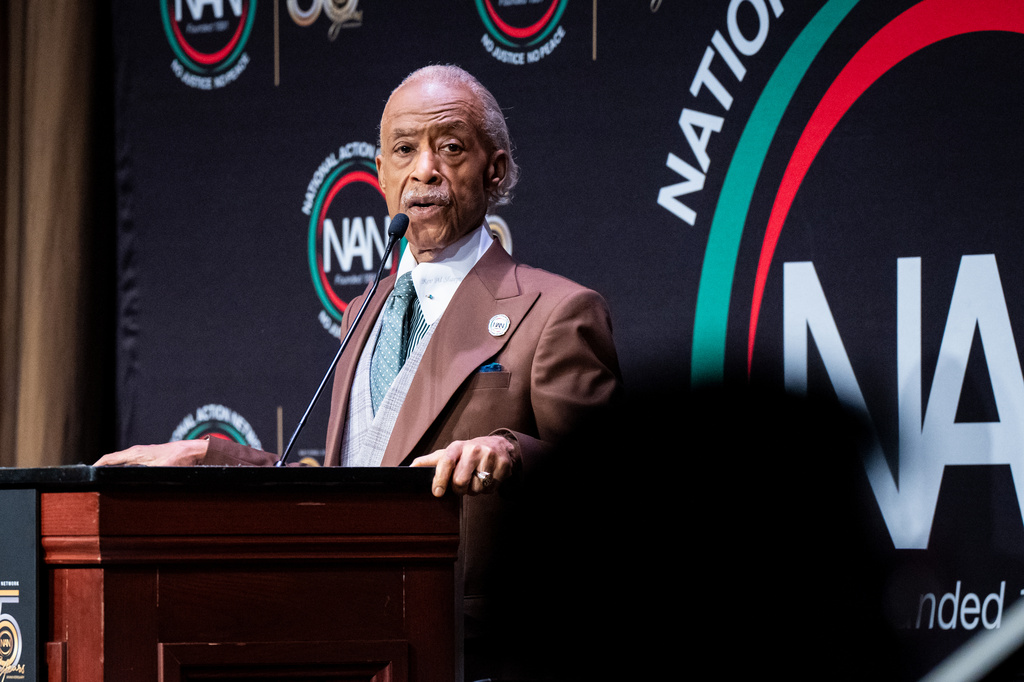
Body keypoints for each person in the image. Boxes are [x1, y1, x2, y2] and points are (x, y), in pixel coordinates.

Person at [96, 64, 621, 497]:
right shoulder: (364, 313)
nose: (425, 170)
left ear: (495, 172)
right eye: (404, 150)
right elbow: (344, 492)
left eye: (452, 148)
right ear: (380, 175)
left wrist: (510, 450)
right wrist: (206, 458)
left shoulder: (558, 312)